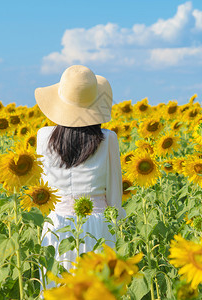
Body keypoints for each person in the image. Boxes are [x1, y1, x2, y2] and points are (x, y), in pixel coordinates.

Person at [34, 65, 125, 290]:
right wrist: (116, 224)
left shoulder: (44, 136)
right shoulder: (108, 138)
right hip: (98, 226)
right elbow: (115, 190)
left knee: (58, 290)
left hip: (56, 225)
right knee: (99, 291)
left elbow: (41, 186)